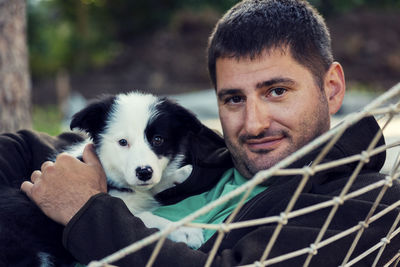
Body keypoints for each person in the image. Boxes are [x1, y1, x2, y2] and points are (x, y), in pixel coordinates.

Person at [1, 0, 399, 266]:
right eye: (232, 99)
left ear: (331, 88)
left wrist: (86, 212)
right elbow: (24, 149)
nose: (254, 123)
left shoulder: (368, 201)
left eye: (277, 91)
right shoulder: (199, 154)